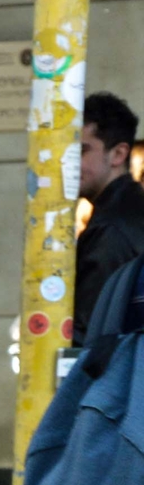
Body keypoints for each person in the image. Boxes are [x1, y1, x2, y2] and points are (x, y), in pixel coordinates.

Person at [76, 92, 144, 343]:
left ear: (118, 154)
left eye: (82, 150)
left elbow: (89, 337)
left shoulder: (110, 228)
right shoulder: (129, 207)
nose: (68, 162)